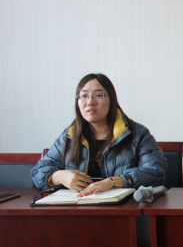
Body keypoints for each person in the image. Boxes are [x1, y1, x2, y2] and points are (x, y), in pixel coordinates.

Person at [32, 74, 167, 196]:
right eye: (84, 95)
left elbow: (155, 172)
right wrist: (59, 177)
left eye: (99, 95)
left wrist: (115, 181)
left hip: (122, 209)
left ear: (112, 99)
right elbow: (38, 172)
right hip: (76, 208)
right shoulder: (69, 136)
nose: (90, 102)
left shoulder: (138, 134)